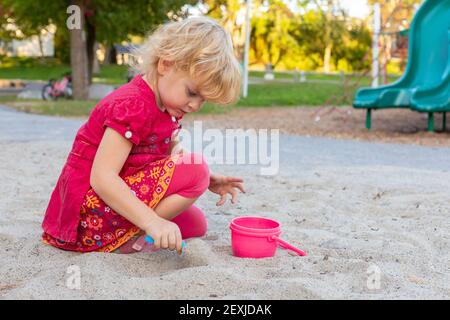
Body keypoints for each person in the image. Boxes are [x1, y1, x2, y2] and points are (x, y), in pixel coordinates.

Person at [41, 17, 245, 255]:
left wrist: (207, 179)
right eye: (192, 93)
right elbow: (102, 177)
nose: (194, 105)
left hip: (110, 205)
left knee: (195, 225)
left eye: (203, 100)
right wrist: (152, 222)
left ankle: (133, 231)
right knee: (196, 168)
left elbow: (168, 152)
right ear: (165, 64)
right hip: (88, 217)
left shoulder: (166, 105)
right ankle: (128, 238)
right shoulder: (133, 106)